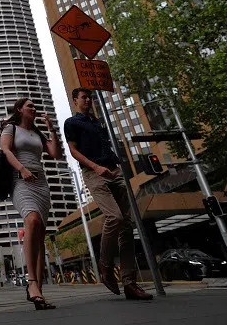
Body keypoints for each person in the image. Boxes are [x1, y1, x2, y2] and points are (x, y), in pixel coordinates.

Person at [64, 88, 152, 301]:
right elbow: (74, 151)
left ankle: (129, 282)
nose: (88, 100)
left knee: (127, 225)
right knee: (115, 217)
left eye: (90, 97)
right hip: (95, 173)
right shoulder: (71, 123)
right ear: (75, 100)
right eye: (84, 98)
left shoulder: (97, 122)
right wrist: (95, 167)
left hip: (114, 170)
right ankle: (105, 266)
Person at [0, 97, 64, 310]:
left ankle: (39, 294)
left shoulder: (37, 133)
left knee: (39, 236)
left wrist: (51, 129)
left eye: (35, 106)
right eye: (30, 106)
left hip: (41, 183)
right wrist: (22, 169)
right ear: (20, 109)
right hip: (21, 181)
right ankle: (32, 283)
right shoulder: (11, 128)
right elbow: (6, 150)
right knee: (32, 221)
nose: (34, 109)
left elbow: (55, 154)